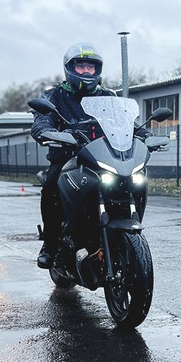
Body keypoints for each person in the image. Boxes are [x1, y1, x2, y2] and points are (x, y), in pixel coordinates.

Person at [30, 42, 119, 269]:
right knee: (51, 186)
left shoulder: (108, 96)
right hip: (67, 159)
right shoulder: (55, 95)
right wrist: (47, 131)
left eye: (91, 67)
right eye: (81, 67)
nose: (87, 72)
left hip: (103, 157)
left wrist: (143, 133)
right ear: (70, 68)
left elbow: (125, 122)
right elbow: (42, 120)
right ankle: (50, 243)